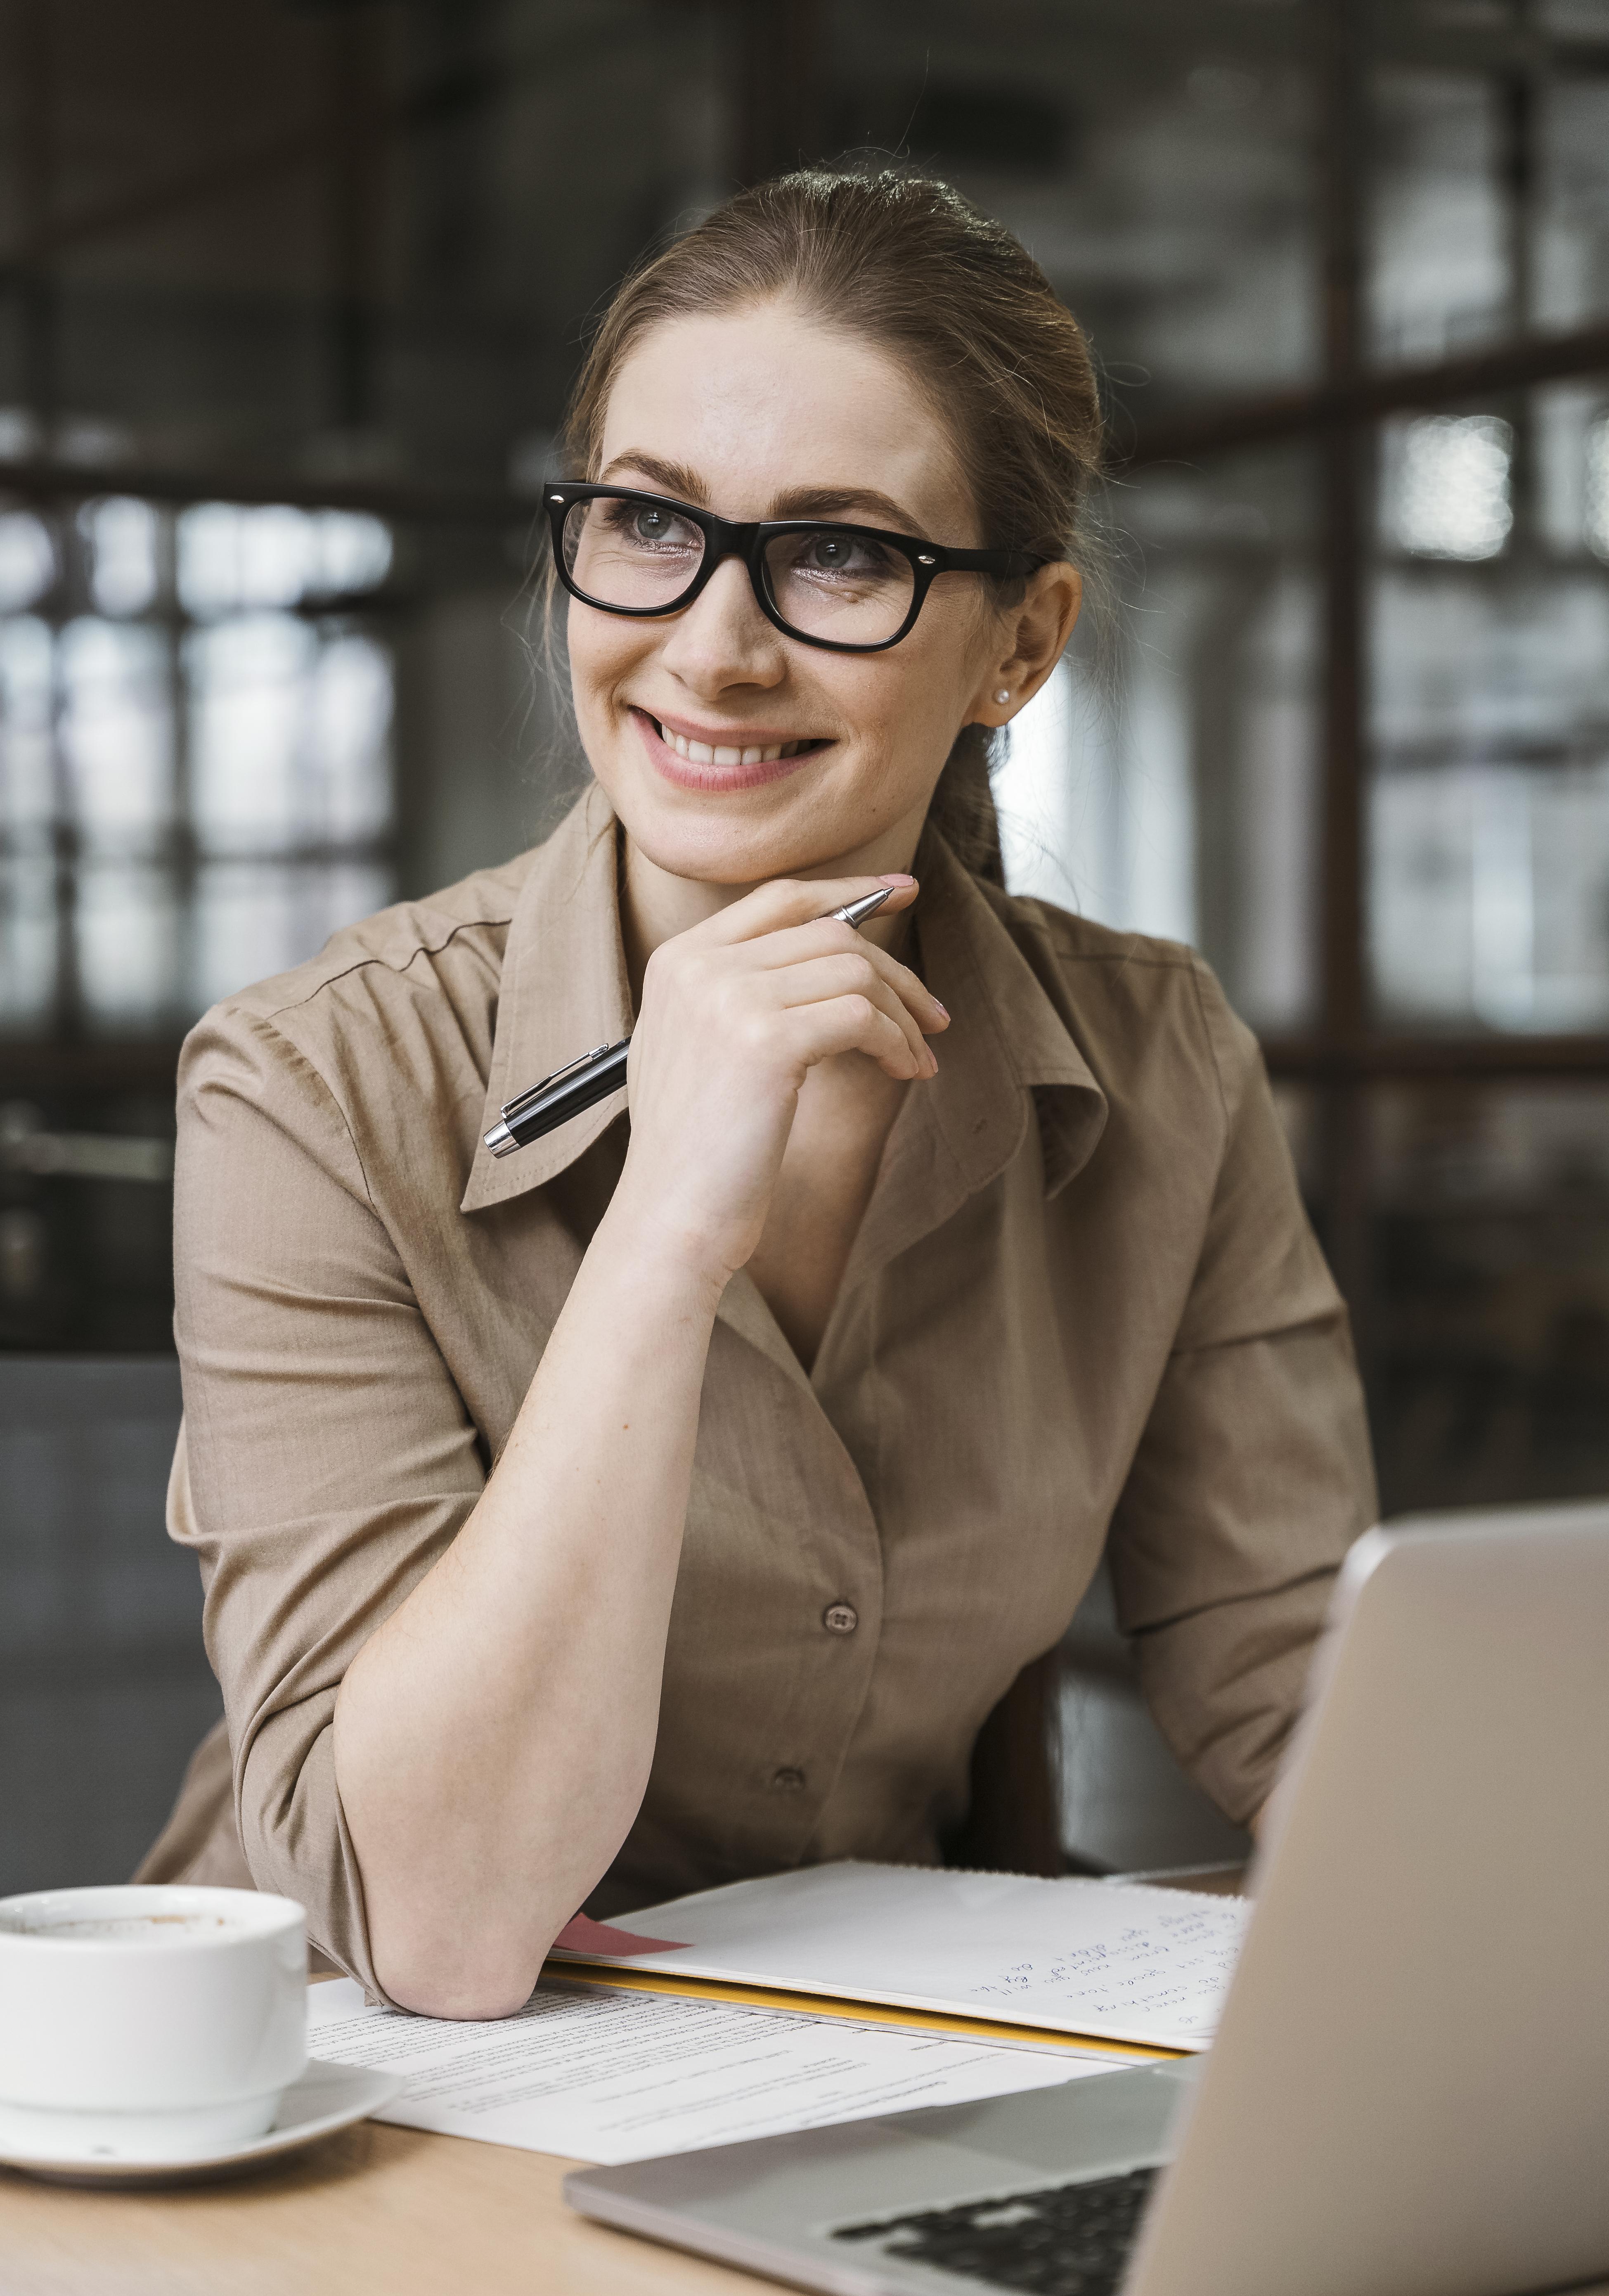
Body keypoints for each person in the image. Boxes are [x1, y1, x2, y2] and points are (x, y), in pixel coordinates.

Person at [140, 168, 1375, 2019]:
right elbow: (435, 1923)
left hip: (886, 2064)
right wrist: (668, 1223)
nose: (712, 643)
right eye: (647, 522)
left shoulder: (1154, 1062)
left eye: (842, 555)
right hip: (350, 2095)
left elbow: (1303, 1682)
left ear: (1020, 644)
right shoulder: (315, 1085)